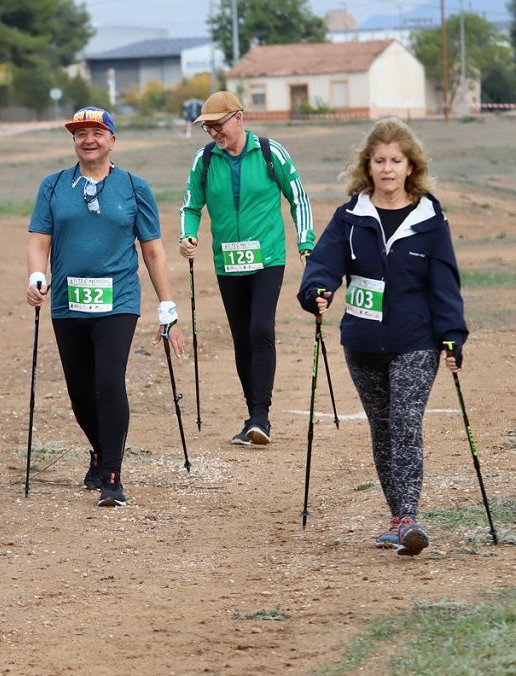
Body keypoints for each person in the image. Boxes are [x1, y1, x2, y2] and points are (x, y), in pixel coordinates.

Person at [298, 117, 466, 557]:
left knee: (406, 422)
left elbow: (445, 283)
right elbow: (323, 262)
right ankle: (396, 519)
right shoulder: (352, 216)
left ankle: (410, 516)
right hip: (363, 342)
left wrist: (451, 336)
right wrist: (317, 290)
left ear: (411, 166)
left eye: (396, 160)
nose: (387, 168)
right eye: (379, 161)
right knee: (383, 428)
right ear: (367, 166)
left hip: (417, 340)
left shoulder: (429, 219)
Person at [26, 106, 186, 507]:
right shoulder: (53, 185)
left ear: (112, 140)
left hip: (119, 300)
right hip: (67, 302)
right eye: (80, 134)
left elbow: (152, 250)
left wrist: (166, 304)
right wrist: (36, 275)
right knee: (80, 391)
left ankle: (112, 474)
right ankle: (98, 450)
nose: (89, 140)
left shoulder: (134, 187)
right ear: (74, 142)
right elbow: (39, 239)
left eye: (97, 132)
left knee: (109, 380)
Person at [178, 91, 314, 446]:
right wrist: (188, 236)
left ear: (239, 117)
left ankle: (260, 416)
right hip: (228, 262)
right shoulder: (204, 160)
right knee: (241, 338)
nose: (213, 133)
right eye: (207, 127)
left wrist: (306, 242)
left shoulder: (271, 153)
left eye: (218, 125)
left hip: (268, 257)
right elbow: (191, 206)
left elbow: (298, 196)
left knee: (259, 329)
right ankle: (252, 414)